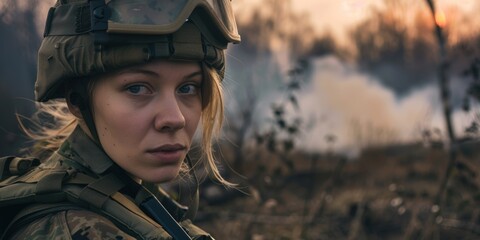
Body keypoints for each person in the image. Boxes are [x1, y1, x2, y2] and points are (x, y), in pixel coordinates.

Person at [0, 0, 240, 239]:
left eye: (188, 88)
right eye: (137, 88)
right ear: (77, 101)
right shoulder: (78, 230)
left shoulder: (128, 197)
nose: (175, 118)